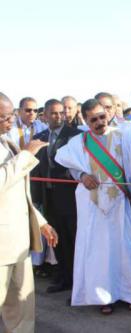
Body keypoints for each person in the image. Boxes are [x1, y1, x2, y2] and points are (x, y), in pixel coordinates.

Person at [55, 98, 131, 314]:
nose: (100, 122)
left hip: (122, 204)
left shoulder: (124, 136)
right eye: (94, 120)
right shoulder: (79, 142)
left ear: (108, 113)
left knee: (127, 249)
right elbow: (68, 163)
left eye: (102, 117)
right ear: (85, 120)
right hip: (95, 208)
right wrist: (82, 175)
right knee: (101, 254)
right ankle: (105, 296)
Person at [0, 92, 58, 333]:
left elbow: (18, 194)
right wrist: (26, 155)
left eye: (10, 114)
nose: (10, 120)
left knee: (22, 311)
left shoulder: (8, 143)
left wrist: (41, 223)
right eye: (3, 116)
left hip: (19, 242)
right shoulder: (18, 149)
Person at [31, 99, 81, 294]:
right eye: (54, 113)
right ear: (44, 115)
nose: (59, 116)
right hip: (48, 197)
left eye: (62, 112)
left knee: (74, 238)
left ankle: (78, 279)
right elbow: (35, 170)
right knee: (57, 239)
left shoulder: (75, 136)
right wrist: (37, 199)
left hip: (70, 198)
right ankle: (63, 277)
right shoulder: (39, 137)